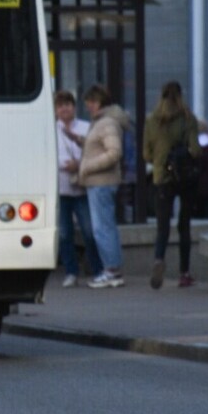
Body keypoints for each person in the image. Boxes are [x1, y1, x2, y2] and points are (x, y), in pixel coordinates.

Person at [142, 81, 201, 290]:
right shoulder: (188, 119)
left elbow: (146, 154)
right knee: (184, 226)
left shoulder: (152, 121)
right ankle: (184, 273)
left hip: (161, 179)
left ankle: (159, 259)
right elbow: (196, 150)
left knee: (162, 226)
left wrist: (160, 161)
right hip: (185, 179)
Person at [77, 84, 131, 289]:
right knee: (105, 227)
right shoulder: (103, 122)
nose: (88, 106)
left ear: (99, 101)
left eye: (91, 102)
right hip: (100, 182)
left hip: (101, 182)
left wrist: (88, 166)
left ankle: (111, 270)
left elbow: (114, 152)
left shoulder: (106, 123)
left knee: (102, 228)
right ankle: (112, 269)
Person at [54, 90, 103, 287]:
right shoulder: (51, 130)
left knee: (89, 231)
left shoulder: (86, 127)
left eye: (68, 104)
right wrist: (64, 164)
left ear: (74, 107)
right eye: (61, 105)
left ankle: (98, 269)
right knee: (64, 234)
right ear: (56, 110)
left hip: (82, 187)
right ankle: (71, 271)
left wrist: (79, 164)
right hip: (61, 188)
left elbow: (93, 151)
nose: (65, 108)